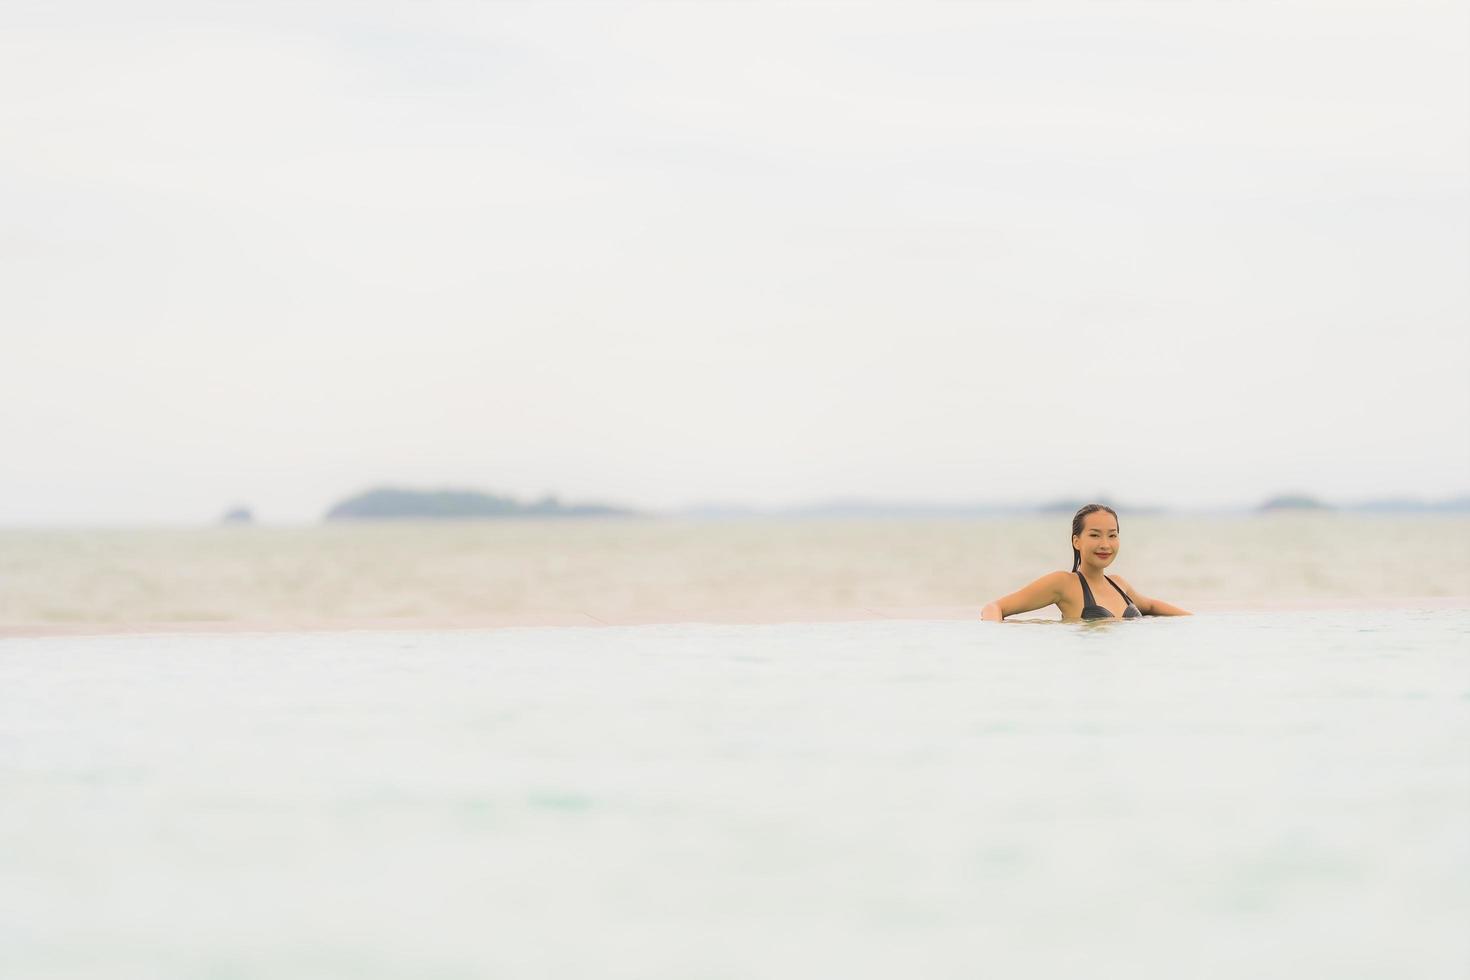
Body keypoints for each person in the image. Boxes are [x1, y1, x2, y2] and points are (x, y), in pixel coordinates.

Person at [980, 503, 1192, 621]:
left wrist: (1195, 622)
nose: (1105, 544)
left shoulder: (1119, 584)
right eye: (1094, 535)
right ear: (1076, 541)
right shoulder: (1063, 583)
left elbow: (1152, 605)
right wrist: (992, 643)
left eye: (1112, 535)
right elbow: (995, 607)